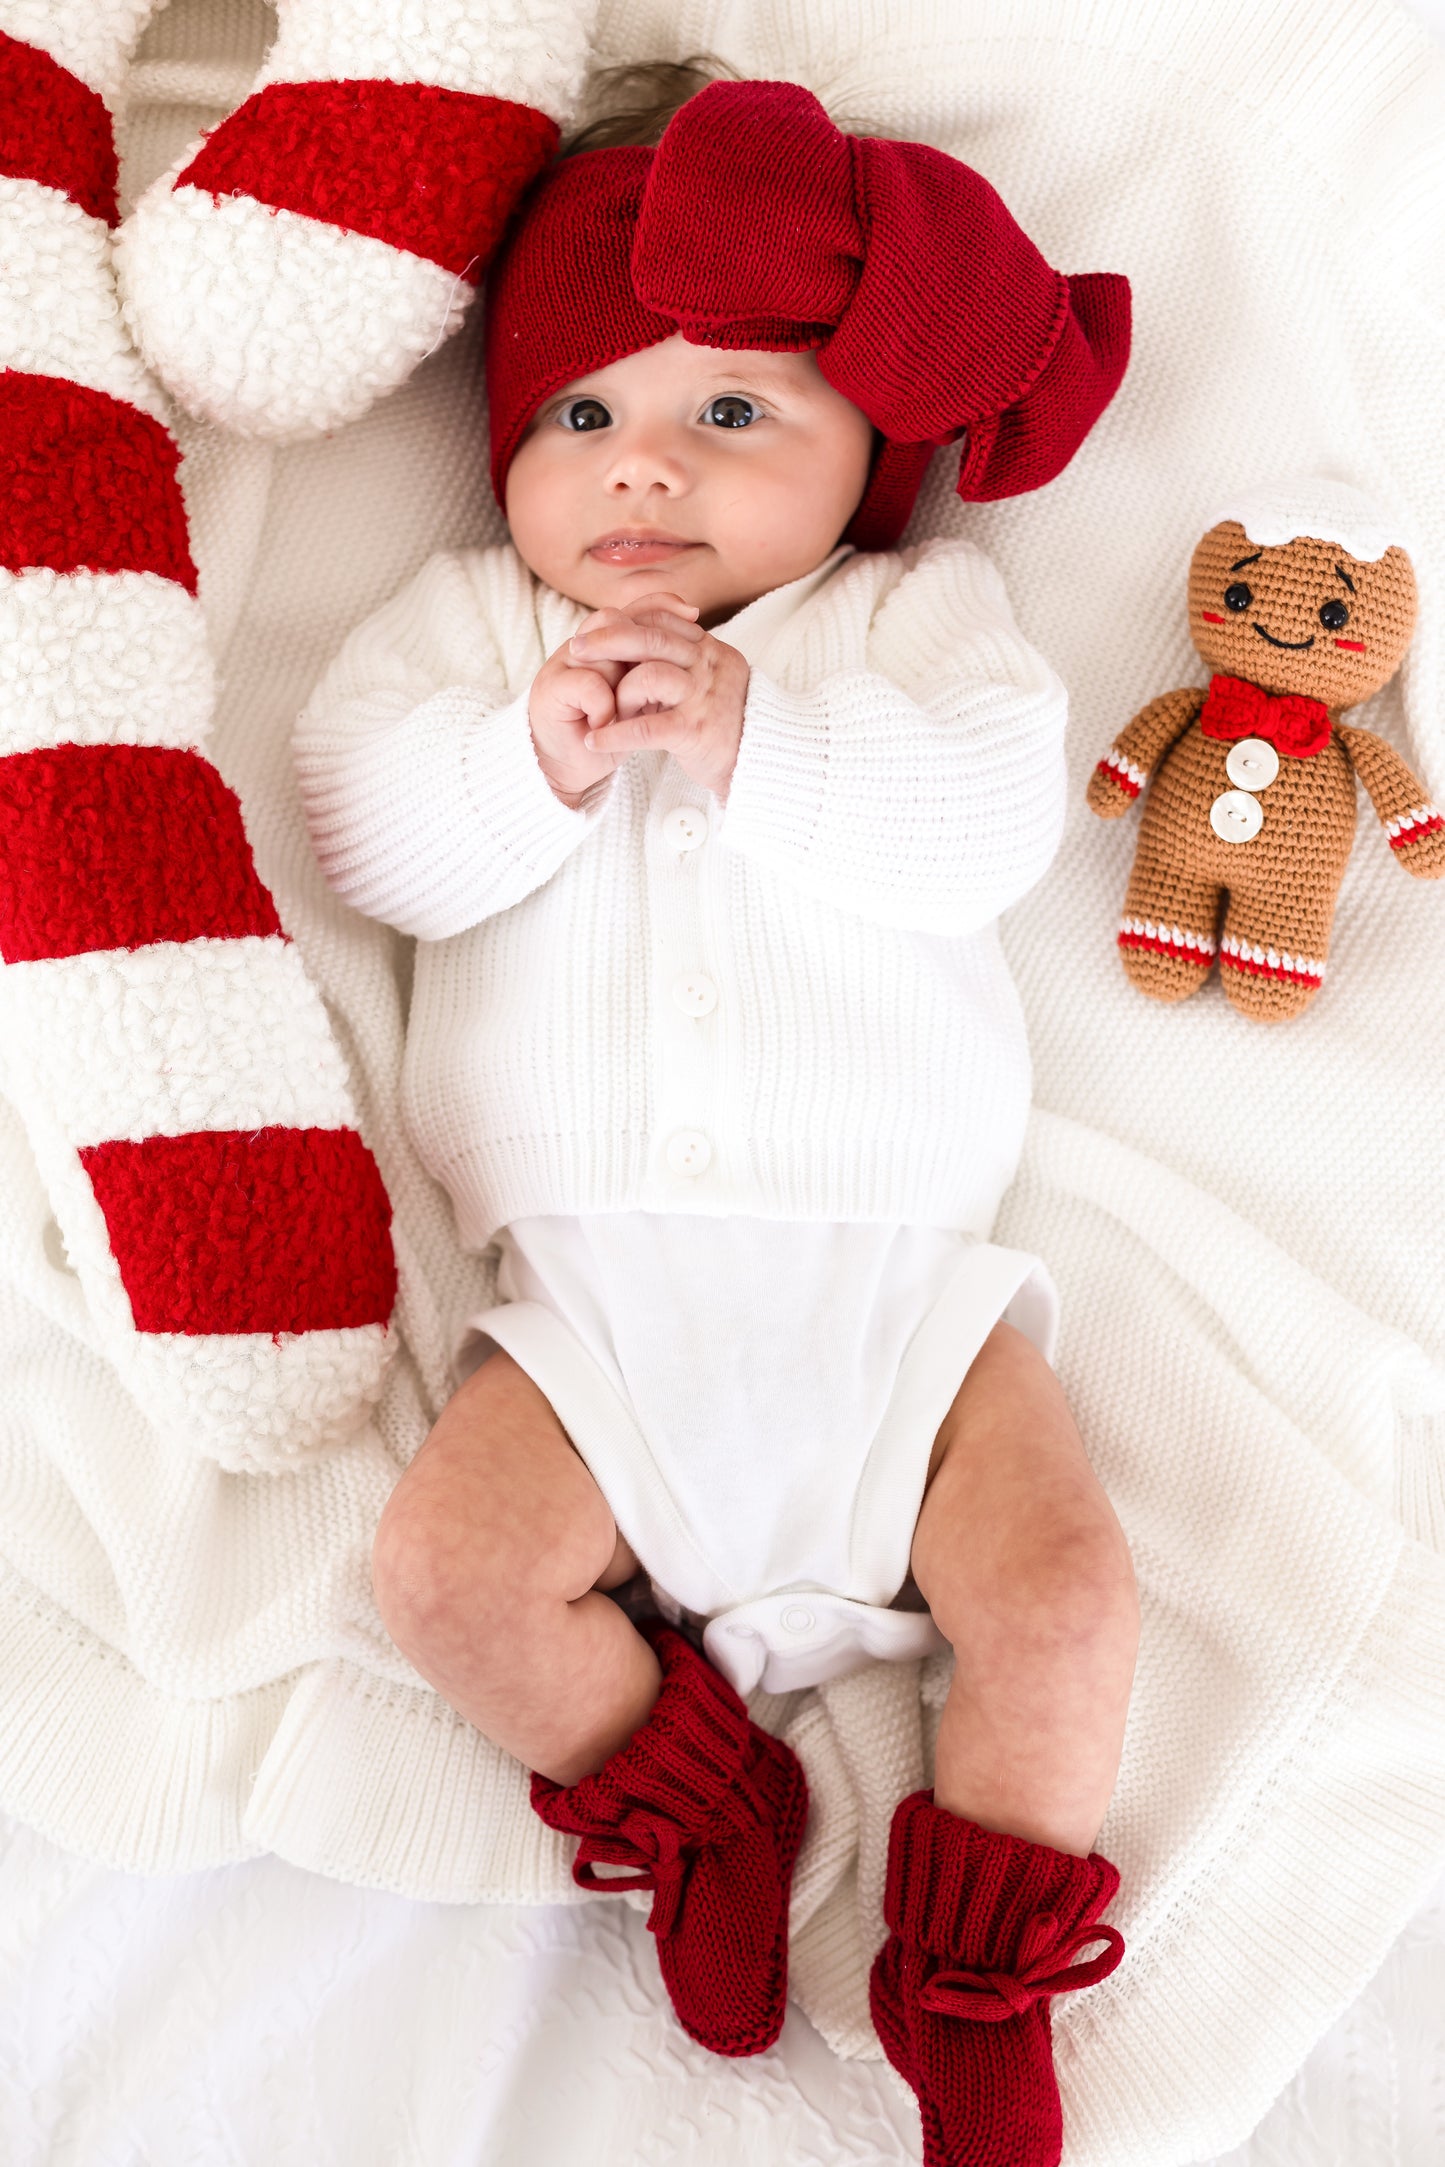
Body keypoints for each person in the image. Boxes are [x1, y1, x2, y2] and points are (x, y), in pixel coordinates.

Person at [295, 66, 1138, 2167]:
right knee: (445, 1576)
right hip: (596, 1330)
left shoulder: (902, 627)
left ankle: (975, 1976)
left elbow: (980, 825)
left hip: (903, 1318)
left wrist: (767, 737)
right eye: (580, 417)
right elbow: (363, 836)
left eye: (732, 411)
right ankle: (691, 1798)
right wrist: (530, 765)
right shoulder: (481, 634)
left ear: (874, 457)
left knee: (1062, 1605)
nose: (643, 466)